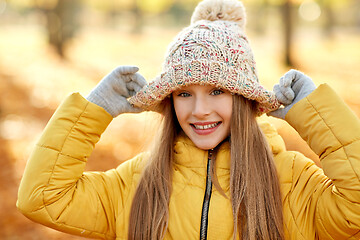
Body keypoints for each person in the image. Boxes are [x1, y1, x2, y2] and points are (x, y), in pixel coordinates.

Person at [17, 0, 360, 239]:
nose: (198, 111)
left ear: (243, 99)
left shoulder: (290, 181)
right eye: (184, 94)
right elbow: (42, 198)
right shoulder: (138, 183)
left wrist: (316, 114)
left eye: (216, 92)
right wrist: (94, 110)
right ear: (169, 101)